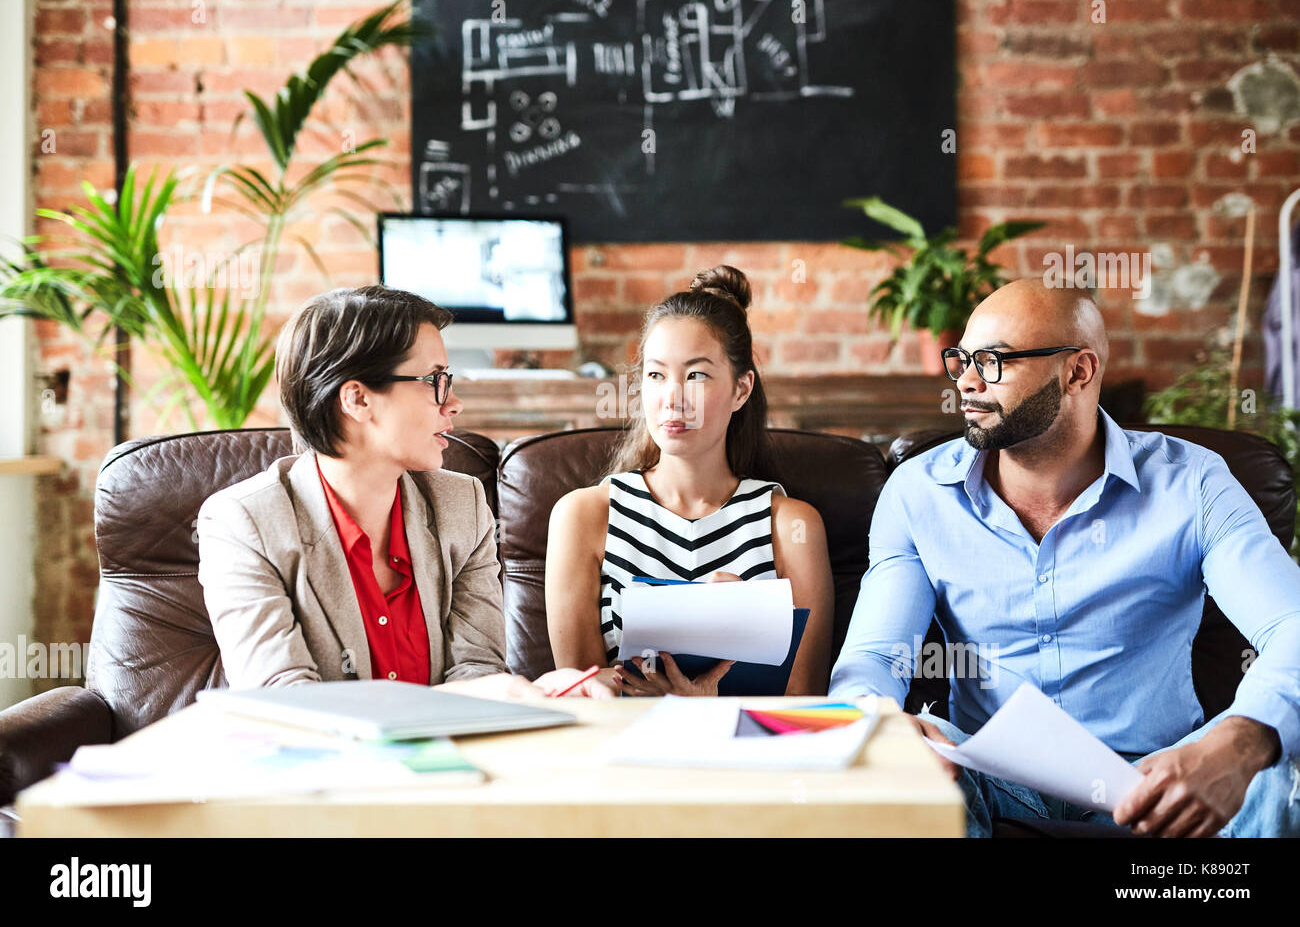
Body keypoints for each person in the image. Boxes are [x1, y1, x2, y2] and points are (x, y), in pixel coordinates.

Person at [830, 278, 1300, 837]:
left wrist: (1242, 740)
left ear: (1078, 371)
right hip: (992, 779)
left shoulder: (1192, 482)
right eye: (962, 360)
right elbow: (876, 658)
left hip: (1159, 778)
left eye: (994, 361)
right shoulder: (918, 493)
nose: (968, 381)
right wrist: (881, 720)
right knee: (896, 764)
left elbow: (1291, 627)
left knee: (1273, 768)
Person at [197, 284, 609, 700]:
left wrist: (523, 691)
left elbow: (476, 669)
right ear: (357, 399)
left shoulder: (461, 507)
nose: (454, 403)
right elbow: (284, 702)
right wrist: (475, 698)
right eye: (435, 380)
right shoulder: (244, 523)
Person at [546, 266, 834, 696]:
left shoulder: (792, 526)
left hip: (748, 755)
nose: (672, 398)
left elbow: (804, 699)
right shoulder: (585, 515)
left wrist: (706, 702)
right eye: (656, 375)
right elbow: (583, 694)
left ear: (741, 389)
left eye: (696, 374)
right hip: (623, 751)